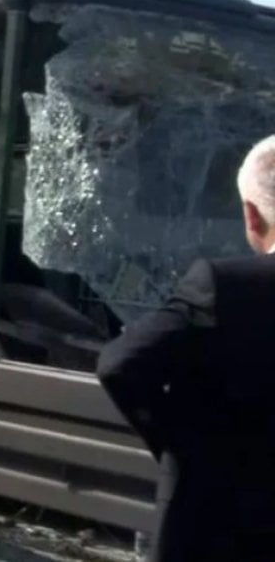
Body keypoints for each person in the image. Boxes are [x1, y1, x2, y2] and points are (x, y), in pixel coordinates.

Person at [97, 134, 275, 561]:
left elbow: (119, 364)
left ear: (252, 216)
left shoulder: (224, 286)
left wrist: (186, 446)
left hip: (214, 523)